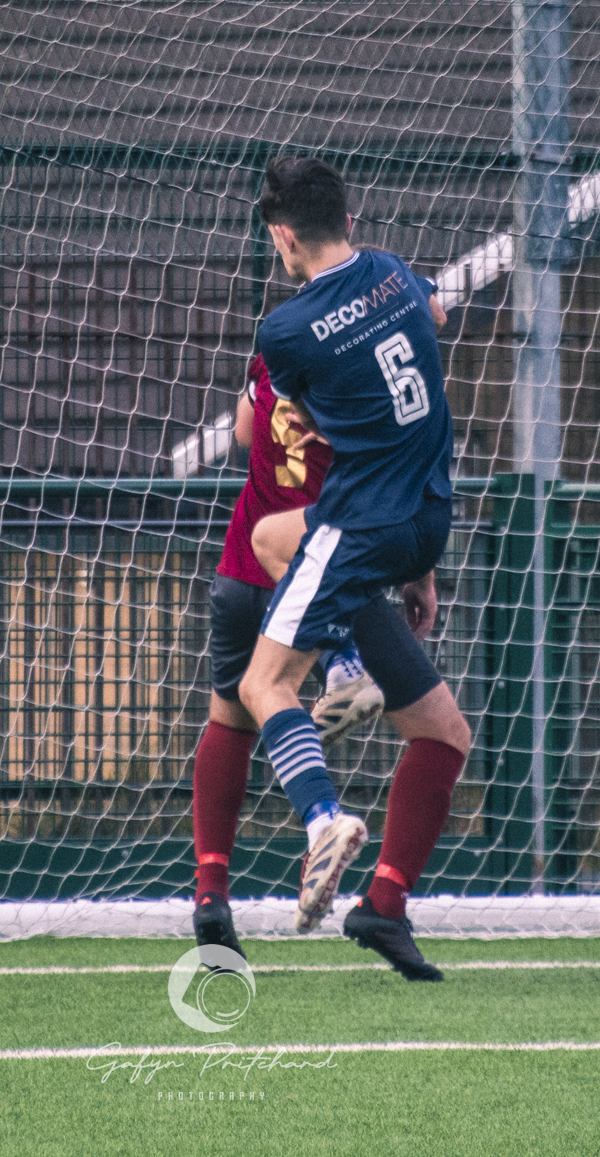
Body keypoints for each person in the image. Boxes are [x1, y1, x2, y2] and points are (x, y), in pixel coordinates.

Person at [235, 156, 472, 980]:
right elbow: (432, 319)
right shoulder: (401, 277)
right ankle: (385, 905)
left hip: (363, 528)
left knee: (263, 686)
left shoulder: (285, 330)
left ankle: (323, 818)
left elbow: (268, 427)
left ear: (283, 236)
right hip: (425, 522)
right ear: (351, 219)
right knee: (445, 734)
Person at [189, 352, 383, 956]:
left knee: (231, 721)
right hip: (322, 567)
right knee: (430, 723)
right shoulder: (371, 359)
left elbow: (246, 433)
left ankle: (211, 892)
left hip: (243, 571)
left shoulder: (277, 347)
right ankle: (345, 670)